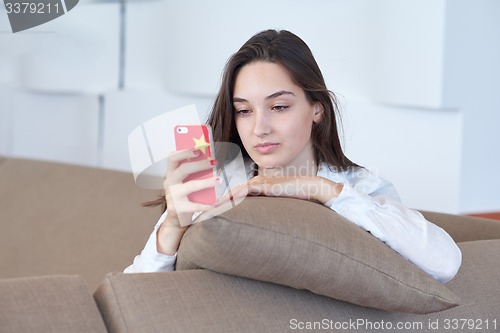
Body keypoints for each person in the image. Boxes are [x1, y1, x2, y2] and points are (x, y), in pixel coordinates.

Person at [125, 29, 461, 283]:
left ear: (317, 108)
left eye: (279, 107)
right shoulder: (219, 183)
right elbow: (134, 294)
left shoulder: (359, 188)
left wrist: (322, 190)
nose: (260, 128)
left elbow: (445, 263)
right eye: (243, 110)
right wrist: (171, 225)